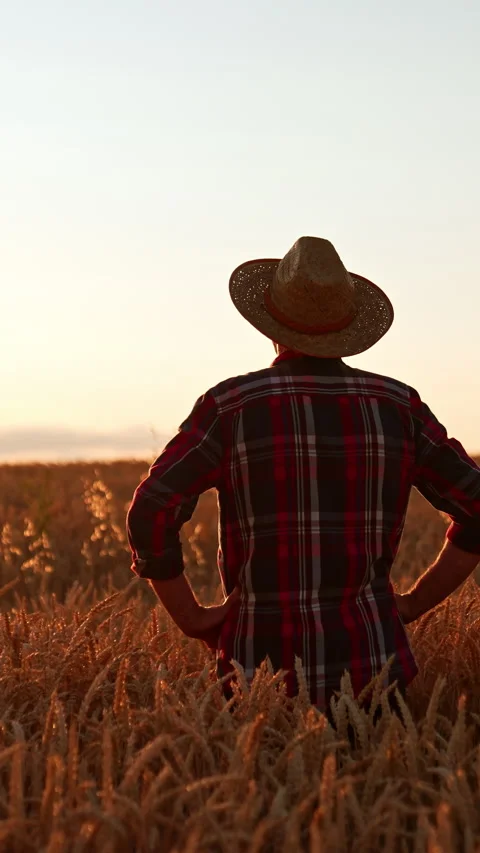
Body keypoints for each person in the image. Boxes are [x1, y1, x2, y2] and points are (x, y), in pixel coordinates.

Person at [126, 236, 480, 711]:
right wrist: (415, 601)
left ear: (272, 326)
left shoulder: (231, 406)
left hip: (260, 682)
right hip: (375, 674)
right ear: (347, 325)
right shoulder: (399, 407)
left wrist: (191, 617)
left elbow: (151, 509)